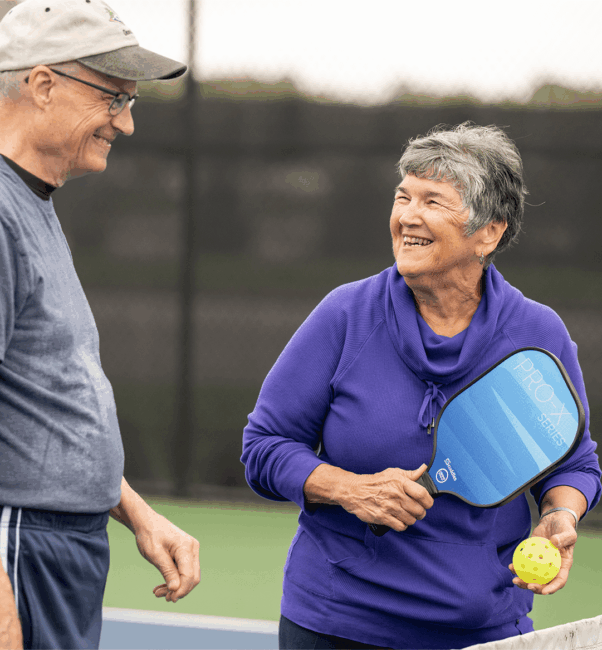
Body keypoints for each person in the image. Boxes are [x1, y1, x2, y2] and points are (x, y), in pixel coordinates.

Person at [242, 123, 602, 650]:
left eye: (433, 200)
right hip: (335, 621)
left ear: (489, 233)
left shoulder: (538, 334)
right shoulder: (344, 315)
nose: (407, 215)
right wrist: (351, 489)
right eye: (402, 196)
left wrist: (559, 513)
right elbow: (264, 448)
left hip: (482, 628)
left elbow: (573, 462)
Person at [0, 2, 201, 648]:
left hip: (56, 548)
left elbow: (40, 402)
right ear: (43, 84)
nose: (129, 123)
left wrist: (136, 513)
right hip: (23, 548)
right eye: (114, 98)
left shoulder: (30, 202)